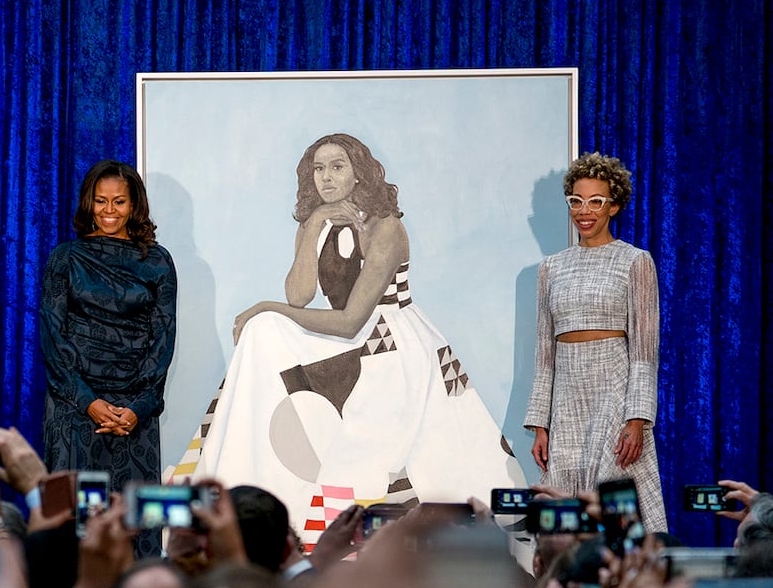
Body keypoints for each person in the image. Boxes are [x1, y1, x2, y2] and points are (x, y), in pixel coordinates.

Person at [178, 133, 522, 550]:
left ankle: (382, 536)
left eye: (337, 166)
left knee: (379, 449)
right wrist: (315, 227)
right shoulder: (314, 223)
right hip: (347, 339)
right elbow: (299, 296)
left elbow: (350, 320)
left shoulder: (386, 227)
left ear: (359, 172)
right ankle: (248, 473)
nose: (326, 177)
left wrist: (265, 306)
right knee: (262, 333)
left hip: (389, 342)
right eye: (318, 169)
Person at [525, 151, 666, 530]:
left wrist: (637, 419)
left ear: (613, 206)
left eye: (595, 201)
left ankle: (628, 583)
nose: (584, 211)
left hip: (614, 390)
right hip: (566, 395)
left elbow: (644, 351)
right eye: (576, 201)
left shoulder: (635, 261)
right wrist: (541, 423)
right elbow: (543, 354)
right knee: (564, 509)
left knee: (615, 499)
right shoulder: (550, 268)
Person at [40, 160, 177, 494]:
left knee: (133, 524)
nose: (109, 210)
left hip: (134, 414)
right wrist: (89, 402)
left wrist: (138, 408)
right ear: (90, 202)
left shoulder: (158, 261)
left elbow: (163, 340)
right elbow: (52, 338)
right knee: (71, 525)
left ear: (134, 205)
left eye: (119, 201)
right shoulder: (65, 258)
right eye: (101, 201)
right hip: (75, 407)